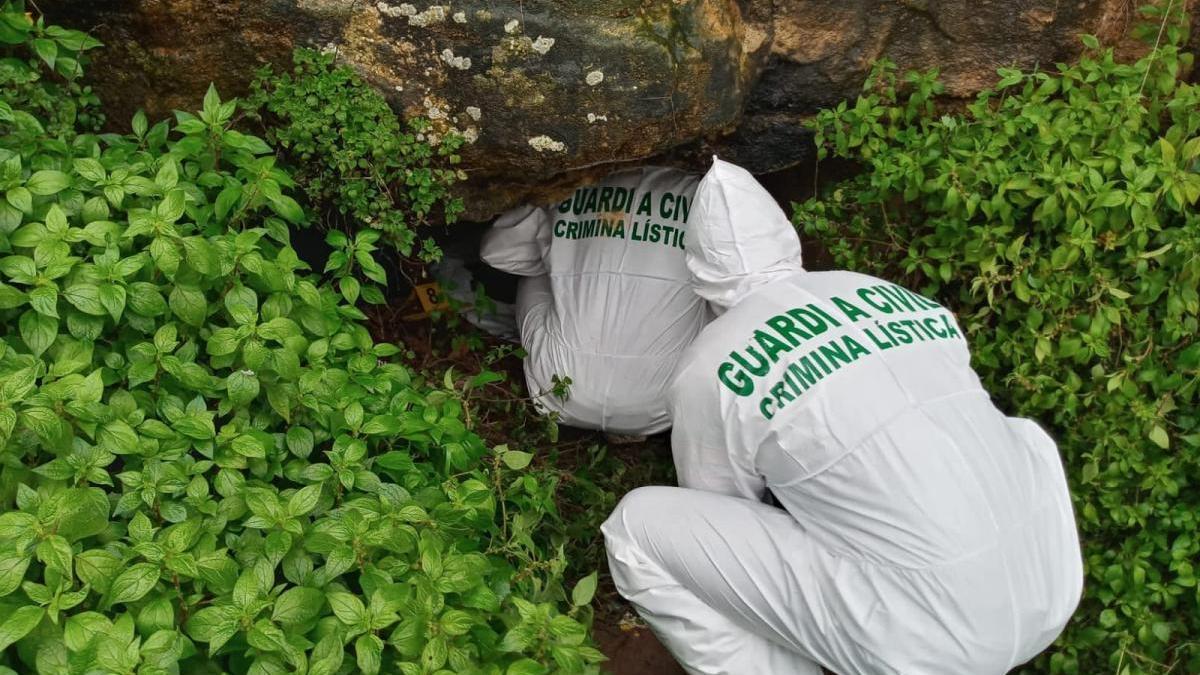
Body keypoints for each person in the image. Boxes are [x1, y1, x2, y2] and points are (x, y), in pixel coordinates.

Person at [602, 158, 1083, 674]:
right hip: (1049, 586)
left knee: (636, 528)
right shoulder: (891, 294)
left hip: (926, 644)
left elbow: (717, 505)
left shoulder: (713, 361)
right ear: (788, 237)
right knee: (1016, 435)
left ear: (697, 270)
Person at [481, 166, 709, 437]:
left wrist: (564, 262)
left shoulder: (570, 182)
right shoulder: (704, 196)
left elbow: (495, 252)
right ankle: (630, 427)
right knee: (710, 288)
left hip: (558, 391)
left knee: (542, 274)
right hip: (659, 408)